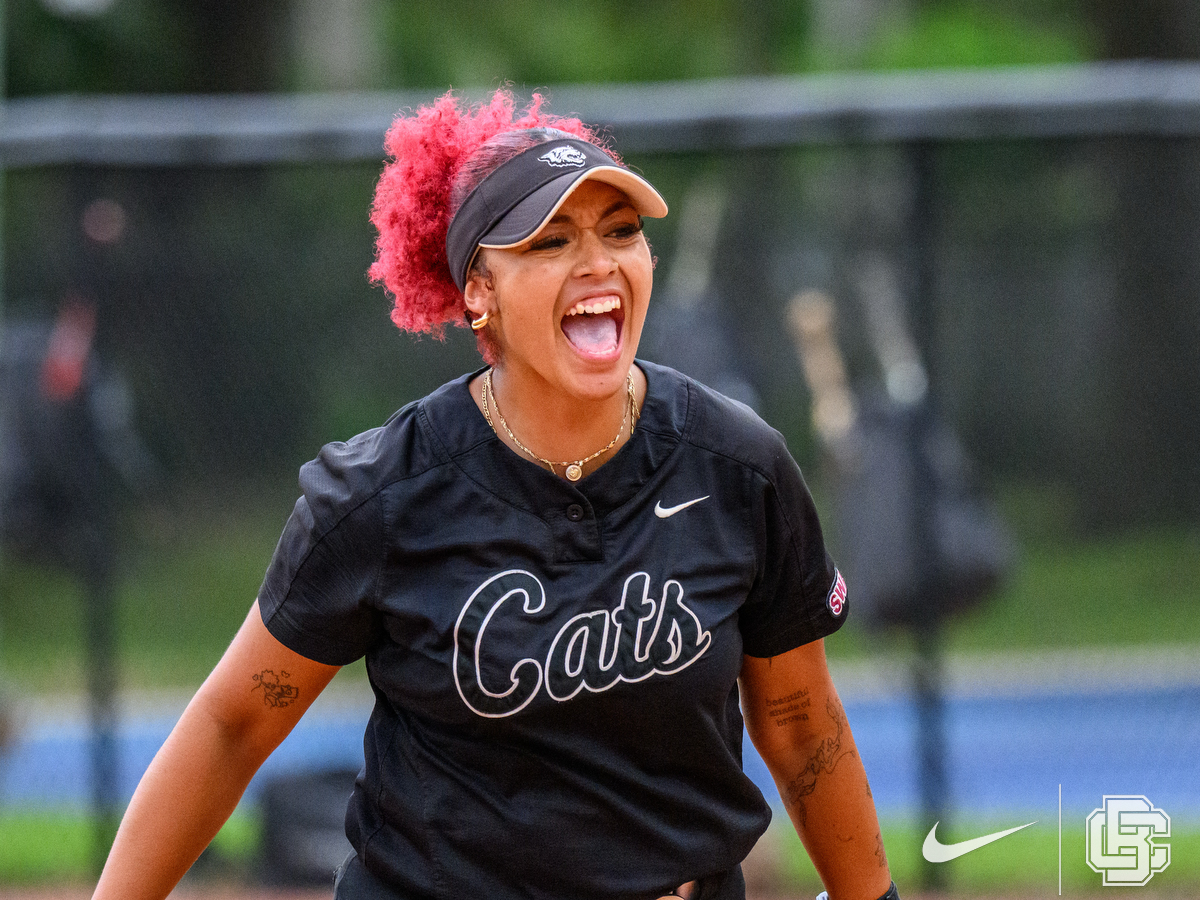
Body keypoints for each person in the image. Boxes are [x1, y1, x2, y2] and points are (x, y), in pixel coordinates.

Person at [92, 89, 899, 900]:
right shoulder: (384, 493)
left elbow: (800, 721)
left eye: (621, 232)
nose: (598, 262)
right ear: (478, 288)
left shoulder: (737, 467)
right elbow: (232, 728)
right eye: (550, 241)